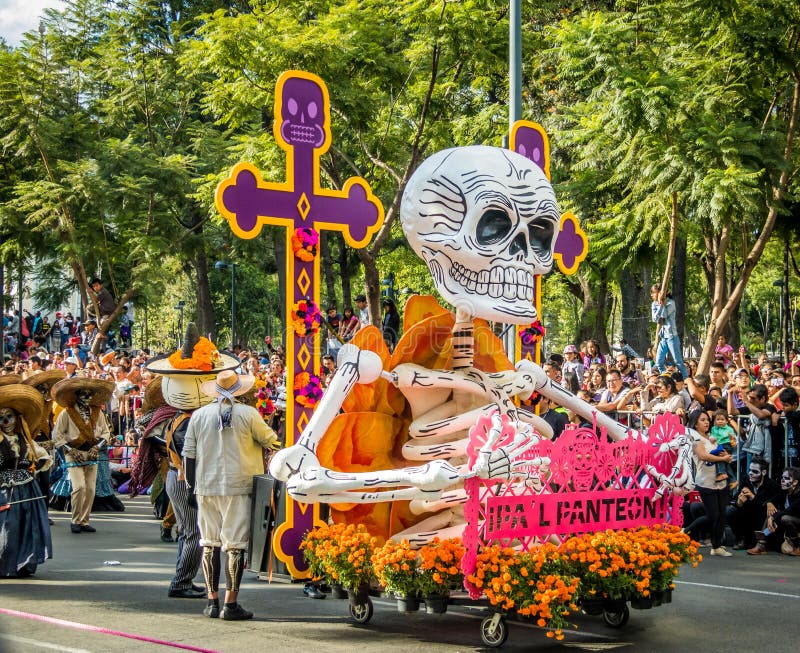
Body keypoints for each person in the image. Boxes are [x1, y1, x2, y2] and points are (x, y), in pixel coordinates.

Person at [184, 369, 280, 620]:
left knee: (209, 543)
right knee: (234, 545)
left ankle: (212, 601)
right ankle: (231, 603)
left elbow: (189, 455)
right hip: (238, 486)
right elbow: (273, 441)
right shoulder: (249, 414)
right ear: (239, 391)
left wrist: (190, 487)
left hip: (206, 485)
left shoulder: (199, 415)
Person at [0, 383, 53, 577]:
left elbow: (42, 456)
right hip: (4, 491)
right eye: (1, 417)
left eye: (9, 416)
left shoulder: (24, 439)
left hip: (28, 488)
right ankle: (5, 565)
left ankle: (24, 563)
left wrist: (35, 467)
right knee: (9, 527)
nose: (6, 421)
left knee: (28, 525)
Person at [50, 376, 114, 533]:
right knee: (79, 487)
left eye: (89, 394)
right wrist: (71, 450)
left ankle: (84, 521)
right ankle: (75, 520)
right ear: (76, 396)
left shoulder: (97, 412)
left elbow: (106, 433)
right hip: (74, 453)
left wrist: (97, 447)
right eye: (83, 394)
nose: (87, 397)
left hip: (92, 453)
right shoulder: (67, 413)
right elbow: (57, 435)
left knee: (91, 489)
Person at [685, 410, 734, 556]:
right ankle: (685, 530)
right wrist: (722, 460)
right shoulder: (695, 439)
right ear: (695, 423)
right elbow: (703, 455)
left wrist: (725, 455)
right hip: (705, 481)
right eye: (702, 420)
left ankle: (716, 546)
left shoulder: (712, 437)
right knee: (712, 515)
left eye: (707, 420)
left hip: (720, 480)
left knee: (721, 514)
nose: (706, 422)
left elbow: (720, 451)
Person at [728, 456, 781, 550]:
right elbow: (735, 499)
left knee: (765, 513)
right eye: (750, 470)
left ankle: (760, 543)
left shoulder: (771, 485)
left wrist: (753, 497)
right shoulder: (746, 480)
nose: (751, 474)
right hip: (746, 515)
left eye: (755, 472)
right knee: (732, 511)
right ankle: (741, 539)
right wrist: (739, 502)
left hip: (760, 519)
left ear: (763, 472)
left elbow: (768, 507)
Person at [747, 467, 800, 555]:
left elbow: (788, 511)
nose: (782, 480)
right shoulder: (785, 491)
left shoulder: (798, 495)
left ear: (795, 482)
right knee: (771, 512)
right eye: (782, 477)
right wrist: (769, 503)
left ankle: (798, 545)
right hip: (790, 526)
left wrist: (772, 517)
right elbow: (770, 500)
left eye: (786, 478)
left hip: (796, 523)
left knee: (784, 518)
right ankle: (761, 545)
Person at [650, 284, 688, 378]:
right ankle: (666, 377)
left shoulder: (671, 303)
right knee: (658, 362)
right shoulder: (654, 304)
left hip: (671, 336)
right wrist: (659, 304)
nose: (651, 295)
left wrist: (662, 303)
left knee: (678, 361)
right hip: (663, 337)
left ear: (660, 293)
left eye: (653, 292)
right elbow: (655, 318)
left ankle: (685, 378)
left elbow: (664, 315)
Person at [709, 409, 737, 483]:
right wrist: (712, 438)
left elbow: (733, 437)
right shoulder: (714, 428)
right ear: (715, 421)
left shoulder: (729, 429)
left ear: (727, 421)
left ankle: (722, 473)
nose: (720, 421)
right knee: (724, 461)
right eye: (718, 419)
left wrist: (733, 439)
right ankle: (733, 480)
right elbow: (712, 435)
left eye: (722, 419)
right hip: (718, 445)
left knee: (721, 457)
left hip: (726, 445)